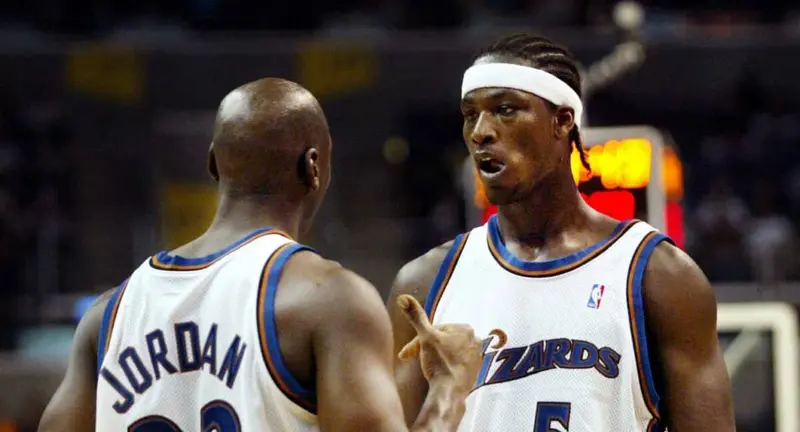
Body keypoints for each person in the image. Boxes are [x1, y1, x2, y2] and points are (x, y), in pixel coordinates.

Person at [38, 78, 482, 432]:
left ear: (213, 165)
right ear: (313, 167)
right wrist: (449, 388)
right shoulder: (328, 299)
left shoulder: (107, 318)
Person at [388, 33, 736, 431]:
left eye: (505, 110)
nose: (481, 131)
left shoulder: (660, 276)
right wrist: (444, 391)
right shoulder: (426, 285)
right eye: (470, 115)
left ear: (563, 120)